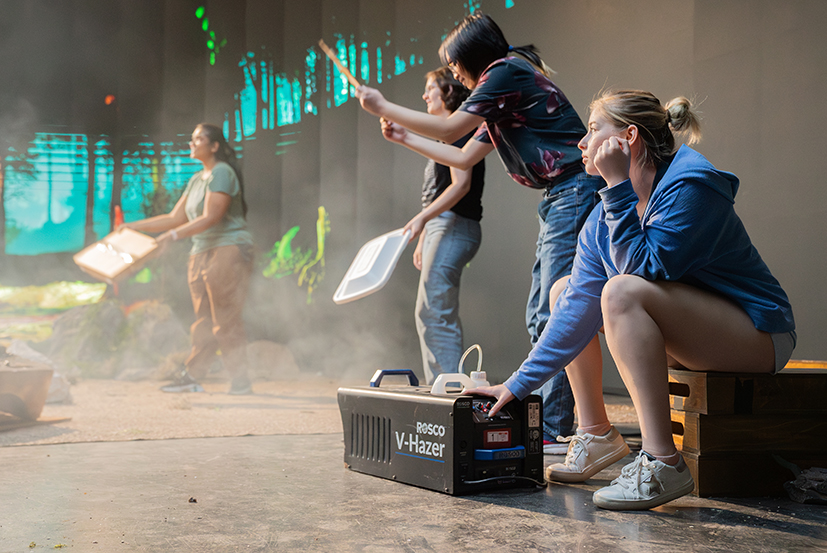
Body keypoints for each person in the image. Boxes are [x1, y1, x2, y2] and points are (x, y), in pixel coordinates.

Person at [471, 89, 796, 510]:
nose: (581, 144)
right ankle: (596, 434)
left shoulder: (691, 186)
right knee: (563, 291)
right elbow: (574, 312)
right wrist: (517, 386)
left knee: (621, 290)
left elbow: (644, 269)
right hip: (692, 337)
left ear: (628, 138)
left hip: (759, 334)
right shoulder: (603, 215)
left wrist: (617, 185)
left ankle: (663, 464)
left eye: (592, 131)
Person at [356, 13, 603, 452]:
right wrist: (402, 137)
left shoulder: (504, 72)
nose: (453, 75)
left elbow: (451, 128)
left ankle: (559, 428)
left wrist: (383, 106)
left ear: (474, 58)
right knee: (541, 311)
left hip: (574, 191)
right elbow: (464, 156)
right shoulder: (500, 95)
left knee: (556, 311)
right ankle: (557, 423)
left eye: (454, 66)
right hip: (560, 196)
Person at [122, 123, 255, 395]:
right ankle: (193, 376)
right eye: (191, 139)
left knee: (225, 319)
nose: (192, 144)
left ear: (215, 146)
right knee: (203, 319)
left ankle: (240, 381)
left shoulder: (221, 173)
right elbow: (174, 217)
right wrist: (134, 227)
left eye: (199, 139)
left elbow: (210, 217)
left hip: (227, 249)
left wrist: (171, 237)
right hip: (200, 251)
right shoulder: (197, 179)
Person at [403, 67, 485, 384]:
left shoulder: (458, 130)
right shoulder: (447, 133)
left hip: (454, 225)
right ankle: (446, 387)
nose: (425, 95)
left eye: (430, 89)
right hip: (444, 227)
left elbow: (460, 185)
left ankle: (449, 390)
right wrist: (425, 233)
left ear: (448, 91)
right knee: (432, 310)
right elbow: (437, 194)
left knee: (434, 311)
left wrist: (422, 220)